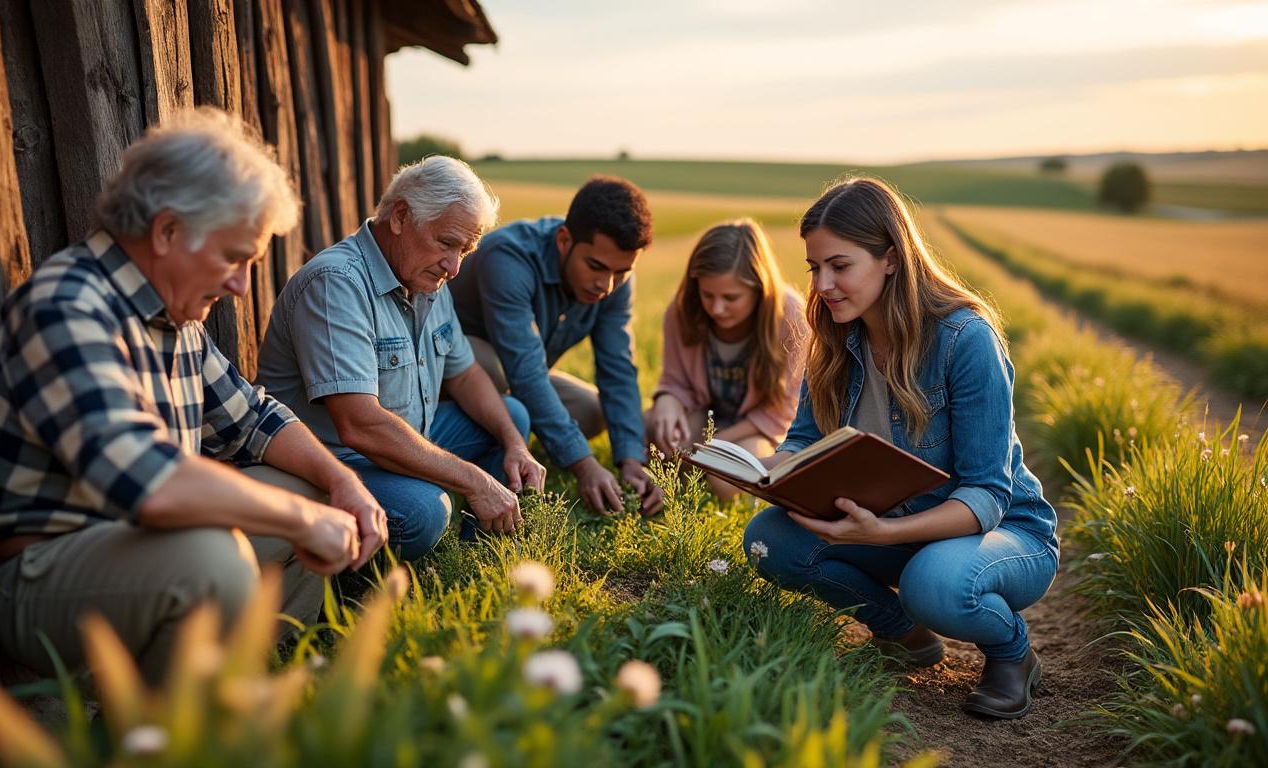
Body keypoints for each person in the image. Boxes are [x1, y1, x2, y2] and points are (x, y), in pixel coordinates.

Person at [0, 108, 387, 684]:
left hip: (131, 546)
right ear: (168, 231)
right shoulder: (68, 309)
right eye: (234, 257)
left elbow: (256, 421)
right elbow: (149, 485)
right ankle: (160, 728)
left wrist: (343, 485)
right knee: (209, 560)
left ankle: (252, 683)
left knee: (309, 487)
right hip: (41, 576)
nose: (242, 285)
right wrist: (300, 520)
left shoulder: (171, 317)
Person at [741, 177, 1059, 719]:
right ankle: (905, 634)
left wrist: (882, 532)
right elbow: (802, 442)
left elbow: (985, 495)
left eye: (839, 266)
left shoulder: (965, 340)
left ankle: (1011, 654)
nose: (822, 285)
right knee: (770, 541)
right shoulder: (836, 339)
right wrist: (750, 468)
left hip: (1000, 533)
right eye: (814, 268)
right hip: (890, 525)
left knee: (932, 583)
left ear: (890, 258)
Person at [256, 156, 545, 561]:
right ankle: (367, 580)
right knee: (424, 512)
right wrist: (475, 481)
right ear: (400, 217)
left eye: (465, 249)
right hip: (334, 463)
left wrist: (516, 445)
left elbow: (465, 375)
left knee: (511, 417)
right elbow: (360, 427)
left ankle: (475, 551)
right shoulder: (336, 284)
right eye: (446, 243)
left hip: (409, 434)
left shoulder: (427, 275)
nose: (455, 266)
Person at [450, 176, 664, 516]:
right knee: (497, 370)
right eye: (595, 267)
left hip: (520, 381)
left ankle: (522, 436)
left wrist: (631, 458)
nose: (606, 285)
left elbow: (618, 368)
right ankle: (490, 443)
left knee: (591, 412)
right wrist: (584, 464)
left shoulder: (614, 280)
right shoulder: (508, 257)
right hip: (462, 374)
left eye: (621, 272)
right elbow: (525, 370)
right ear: (564, 240)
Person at [646, 219, 807, 499]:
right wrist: (666, 403)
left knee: (727, 481)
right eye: (707, 294)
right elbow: (674, 380)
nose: (717, 308)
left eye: (731, 297)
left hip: (758, 429)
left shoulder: (790, 316)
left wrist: (711, 446)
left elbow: (781, 412)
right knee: (658, 437)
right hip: (702, 414)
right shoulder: (682, 311)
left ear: (759, 289)